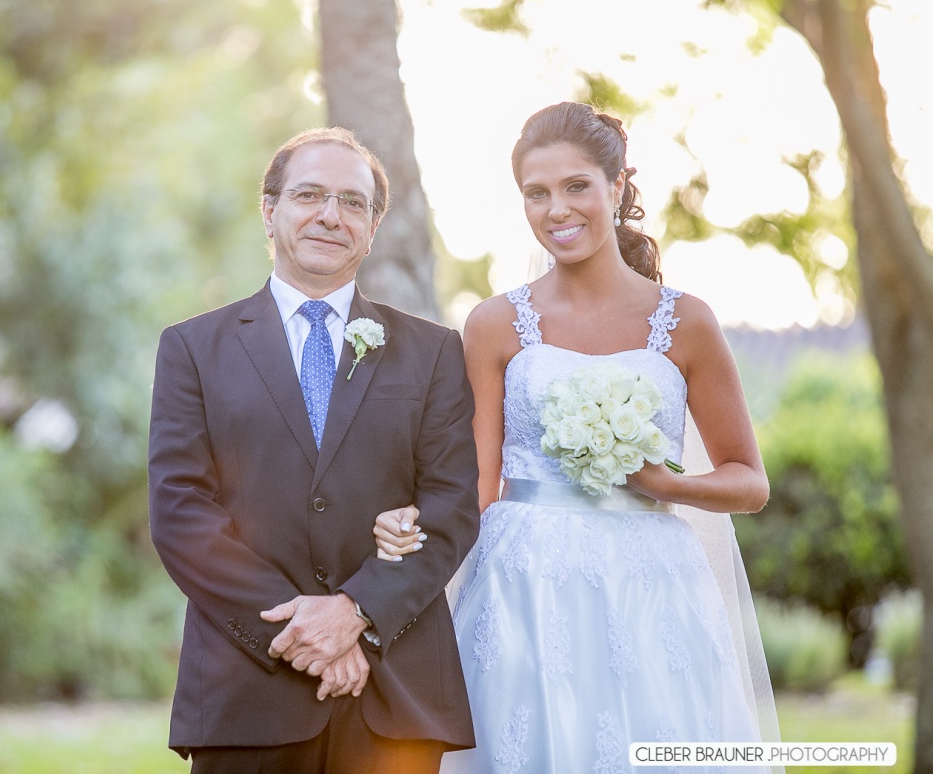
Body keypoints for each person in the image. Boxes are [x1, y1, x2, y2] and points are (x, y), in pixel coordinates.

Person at [373, 102, 779, 772]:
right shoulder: (495, 324)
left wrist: (668, 484)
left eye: (576, 186)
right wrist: (401, 548)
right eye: (536, 193)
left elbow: (749, 480)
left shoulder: (687, 323)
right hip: (524, 587)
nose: (556, 210)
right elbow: (476, 486)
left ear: (618, 187)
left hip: (652, 587)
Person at [148, 126, 481, 773]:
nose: (332, 215)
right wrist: (301, 635)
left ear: (374, 225)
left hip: (394, 691)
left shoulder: (434, 352)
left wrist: (357, 612)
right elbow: (182, 514)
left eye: (353, 202)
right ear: (269, 211)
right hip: (246, 692)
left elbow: (451, 508)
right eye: (310, 195)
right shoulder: (193, 349)